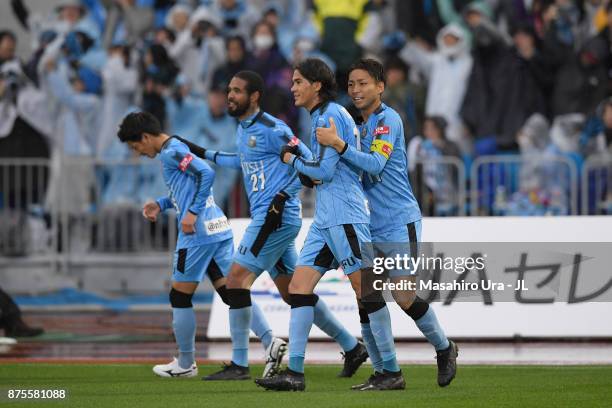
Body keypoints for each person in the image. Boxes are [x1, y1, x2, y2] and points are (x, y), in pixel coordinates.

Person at [176, 70, 365, 381]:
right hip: (270, 217)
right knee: (294, 294)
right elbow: (243, 160)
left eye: (237, 91)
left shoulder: (272, 128)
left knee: (235, 281)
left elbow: (304, 158)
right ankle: (351, 346)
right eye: (229, 90)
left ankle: (239, 364)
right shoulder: (244, 129)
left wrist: (283, 195)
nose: (230, 96)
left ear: (254, 97)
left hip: (274, 218)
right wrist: (201, 152)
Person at [314, 59, 458, 389]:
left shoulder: (386, 120)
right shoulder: (353, 125)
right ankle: (384, 372)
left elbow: (376, 163)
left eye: (363, 83)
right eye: (351, 84)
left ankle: (445, 348)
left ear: (381, 86)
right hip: (369, 223)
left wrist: (337, 145)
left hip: (398, 220)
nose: (356, 89)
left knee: (404, 296)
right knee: (366, 295)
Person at [115, 111, 279, 378]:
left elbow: (206, 173)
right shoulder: (175, 150)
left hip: (197, 235)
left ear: (145, 137)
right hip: (218, 227)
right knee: (232, 293)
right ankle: (270, 342)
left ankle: (186, 363)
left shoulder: (171, 152)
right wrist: (161, 203)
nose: (139, 152)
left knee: (179, 296)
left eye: (137, 147)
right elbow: (187, 187)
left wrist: (191, 212)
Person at [255, 58, 376, 392]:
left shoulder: (332, 115)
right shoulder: (322, 116)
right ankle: (295, 373)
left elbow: (322, 173)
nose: (292, 88)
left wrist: (291, 158)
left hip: (345, 215)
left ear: (316, 85)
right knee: (299, 288)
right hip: (325, 218)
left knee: (365, 292)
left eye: (298, 82)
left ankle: (388, 367)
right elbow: (318, 171)